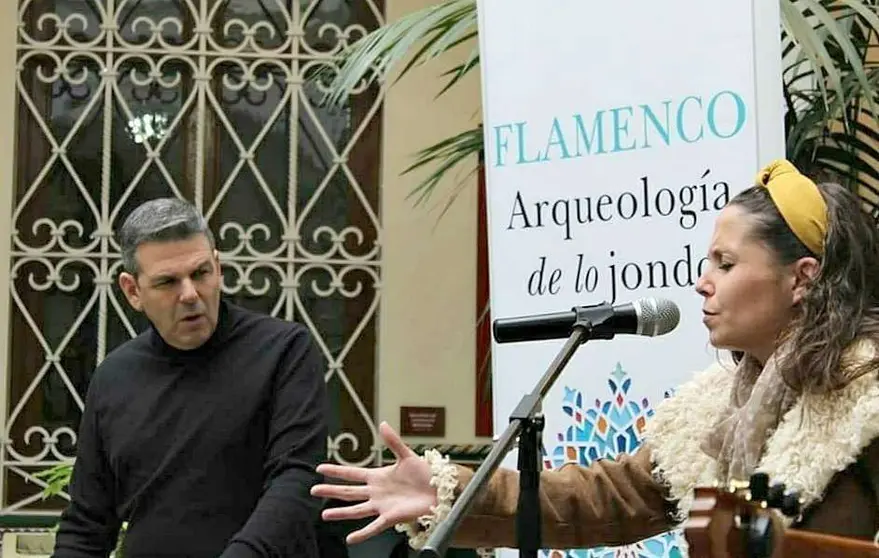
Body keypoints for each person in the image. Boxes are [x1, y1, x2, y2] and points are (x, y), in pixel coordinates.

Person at [310, 159, 879, 551]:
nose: (702, 283)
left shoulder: (866, 399)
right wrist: (450, 492)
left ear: (802, 279)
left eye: (725, 265)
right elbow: (597, 500)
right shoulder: (713, 408)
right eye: (708, 262)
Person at [52, 198, 329, 558]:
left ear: (219, 267)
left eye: (200, 273)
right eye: (167, 282)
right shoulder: (114, 377)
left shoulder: (283, 351)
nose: (190, 294)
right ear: (133, 291)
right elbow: (87, 523)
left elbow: (296, 480)